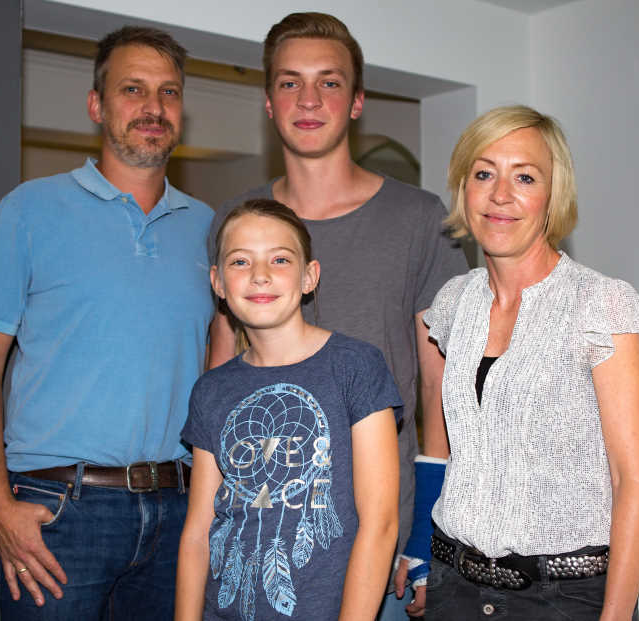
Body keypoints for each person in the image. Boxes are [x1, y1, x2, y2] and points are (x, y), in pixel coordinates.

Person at [206, 13, 468, 616]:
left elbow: (441, 387)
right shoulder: (235, 223)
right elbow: (222, 383)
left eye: (329, 82)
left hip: (385, 538)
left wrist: (426, 532)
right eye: (290, 82)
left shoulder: (420, 219)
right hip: (261, 531)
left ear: (356, 102)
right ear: (268, 103)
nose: (309, 99)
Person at [0, 26, 214, 619]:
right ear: (97, 105)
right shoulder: (29, 209)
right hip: (59, 512)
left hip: (179, 509)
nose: (153, 107)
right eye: (133, 89)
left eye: (169, 92)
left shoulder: (209, 228)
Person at [395, 105, 639, 620]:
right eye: (483, 174)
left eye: (524, 177)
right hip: (454, 588)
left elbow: (632, 482)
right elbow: (447, 447)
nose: (500, 194)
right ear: (463, 189)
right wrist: (423, 551)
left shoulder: (600, 304)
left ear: (553, 194)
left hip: (566, 599)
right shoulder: (453, 302)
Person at [176, 199, 401, 620]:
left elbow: (381, 523)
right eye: (240, 261)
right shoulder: (211, 389)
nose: (260, 275)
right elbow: (198, 533)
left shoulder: (354, 366)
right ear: (218, 282)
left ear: (309, 276)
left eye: (279, 259)